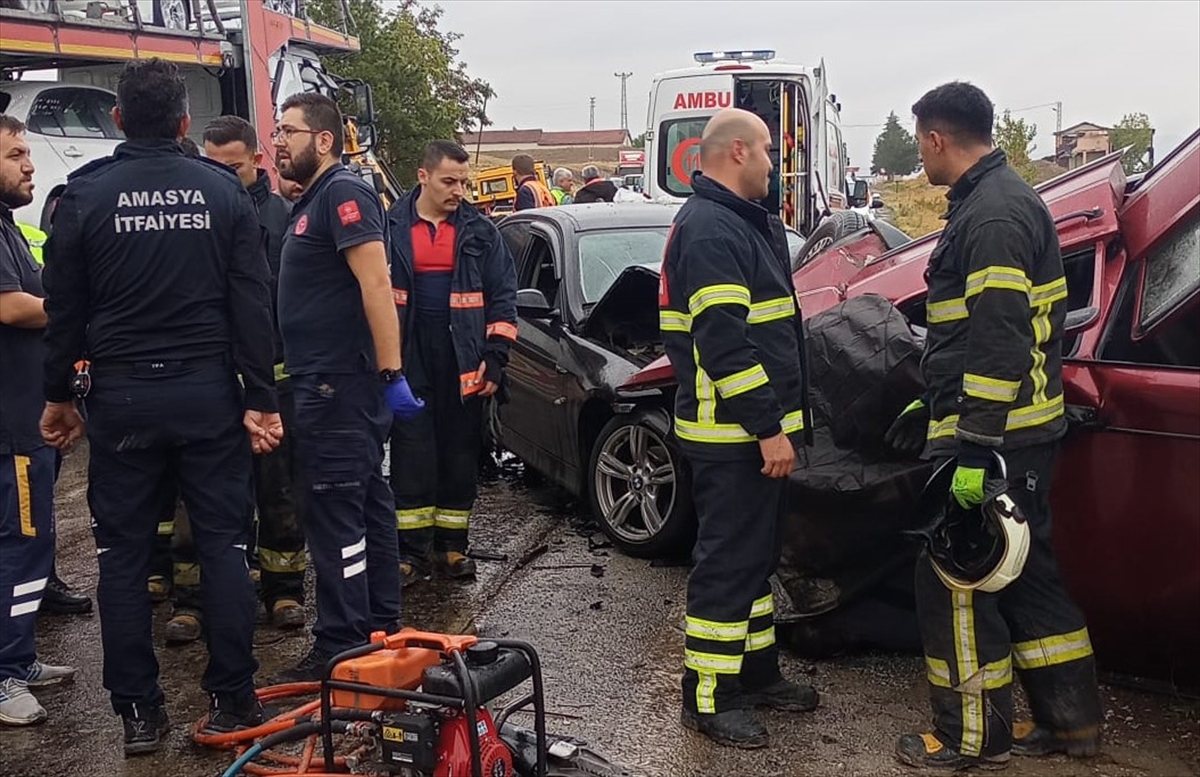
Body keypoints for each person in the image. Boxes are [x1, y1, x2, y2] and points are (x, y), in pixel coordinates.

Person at [39, 59, 280, 754]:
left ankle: (140, 712)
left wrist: (58, 397)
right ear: (184, 124)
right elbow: (251, 307)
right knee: (226, 546)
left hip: (122, 400)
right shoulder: (223, 193)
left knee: (120, 557)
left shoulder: (83, 196)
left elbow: (65, 315)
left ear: (118, 119)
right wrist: (260, 399)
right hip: (208, 393)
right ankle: (234, 696)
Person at [887, 82, 1102, 770]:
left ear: (936, 138)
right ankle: (1072, 725)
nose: (921, 155)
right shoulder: (999, 201)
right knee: (1030, 574)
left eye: (921, 143)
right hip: (1022, 433)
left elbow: (1000, 338)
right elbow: (976, 331)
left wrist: (973, 443)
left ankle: (971, 738)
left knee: (955, 581)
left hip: (997, 439)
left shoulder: (993, 216)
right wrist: (933, 398)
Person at [659, 108, 816, 749]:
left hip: (747, 432)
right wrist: (767, 429)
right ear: (739, 155)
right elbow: (724, 346)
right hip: (734, 436)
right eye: (771, 153)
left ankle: (755, 672)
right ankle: (709, 694)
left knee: (754, 561)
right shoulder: (712, 230)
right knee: (728, 564)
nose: (778, 166)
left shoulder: (738, 223)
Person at [271, 93, 421, 683]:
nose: (278, 141)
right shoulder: (313, 199)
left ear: (325, 140)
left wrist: (390, 373)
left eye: (289, 130)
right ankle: (380, 626)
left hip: (339, 386)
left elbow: (376, 284)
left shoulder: (343, 193)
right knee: (366, 504)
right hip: (331, 382)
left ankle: (342, 643)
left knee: (335, 513)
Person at [386, 140, 517, 585]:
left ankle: (452, 549)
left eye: (464, 181)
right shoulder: (389, 228)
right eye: (449, 181)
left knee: (460, 454)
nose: (459, 190)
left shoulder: (482, 233)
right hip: (410, 355)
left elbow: (503, 300)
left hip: (464, 358)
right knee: (411, 451)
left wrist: (496, 358)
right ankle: (409, 553)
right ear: (422, 177)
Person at [0, 113, 77, 727]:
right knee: (21, 545)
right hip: (11, 429)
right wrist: (79, 314)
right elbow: (13, 307)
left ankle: (18, 657)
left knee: (29, 544)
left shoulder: (9, 226)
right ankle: (3, 671)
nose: (30, 164)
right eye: (15, 154)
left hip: (27, 420)